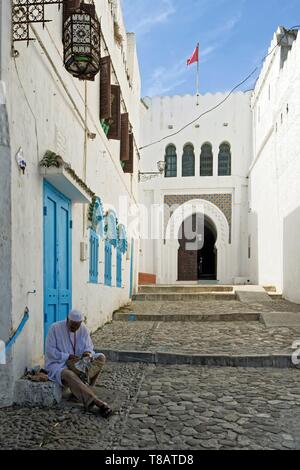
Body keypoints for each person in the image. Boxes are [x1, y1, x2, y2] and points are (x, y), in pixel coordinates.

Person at [45, 309, 112, 418]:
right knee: (69, 374)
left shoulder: (83, 328)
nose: (75, 329)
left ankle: (82, 389)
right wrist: (68, 356)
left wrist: (88, 353)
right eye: (72, 326)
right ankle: (95, 401)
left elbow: (89, 346)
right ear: (67, 320)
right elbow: (50, 351)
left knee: (100, 357)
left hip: (78, 362)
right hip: (58, 363)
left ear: (81, 323)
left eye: (77, 326)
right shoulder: (55, 328)